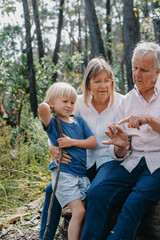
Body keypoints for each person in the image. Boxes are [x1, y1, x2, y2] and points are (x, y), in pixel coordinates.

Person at [81, 42, 160, 240]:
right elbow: (119, 151)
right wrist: (121, 146)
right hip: (133, 160)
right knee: (97, 193)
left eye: (144, 70)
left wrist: (151, 121)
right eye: (134, 68)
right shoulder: (128, 100)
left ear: (157, 71)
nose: (137, 74)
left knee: (134, 202)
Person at [38, 58, 124, 240]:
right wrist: (52, 147)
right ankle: (44, 237)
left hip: (110, 160)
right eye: (97, 81)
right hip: (82, 162)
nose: (103, 86)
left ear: (112, 82)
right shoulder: (75, 102)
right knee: (50, 189)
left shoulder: (122, 103)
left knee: (95, 193)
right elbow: (56, 125)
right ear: (87, 84)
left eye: (107, 80)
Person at [38, 82, 97, 240]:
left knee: (82, 213)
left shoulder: (78, 120)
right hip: (65, 174)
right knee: (79, 211)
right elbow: (42, 110)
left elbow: (92, 142)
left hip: (81, 174)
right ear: (52, 103)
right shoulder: (54, 124)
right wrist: (48, 106)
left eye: (72, 102)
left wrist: (72, 142)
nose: (69, 105)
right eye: (64, 101)